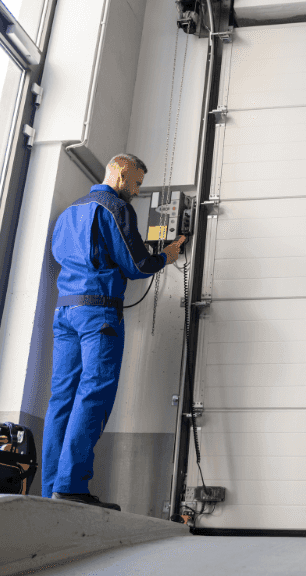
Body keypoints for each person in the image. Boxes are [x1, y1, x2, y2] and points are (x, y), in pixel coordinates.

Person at [41, 153, 184, 511]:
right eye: (135, 183)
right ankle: (71, 486)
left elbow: (61, 256)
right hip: (98, 315)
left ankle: (50, 492)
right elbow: (137, 265)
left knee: (62, 399)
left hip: (65, 311)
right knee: (94, 394)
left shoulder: (68, 213)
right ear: (120, 173)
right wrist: (166, 255)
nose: (136, 191)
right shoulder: (115, 208)